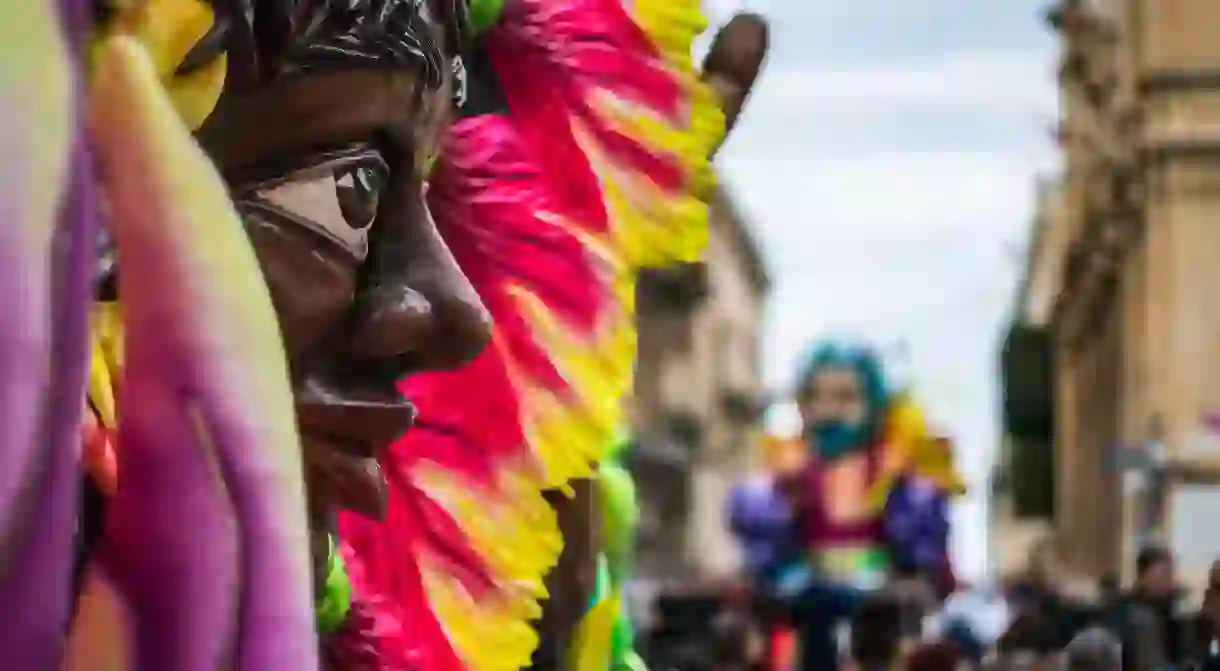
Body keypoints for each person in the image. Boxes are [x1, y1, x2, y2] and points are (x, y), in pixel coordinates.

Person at [1115, 545, 1182, 670]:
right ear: (1145, 575)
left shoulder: (1164, 612)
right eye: (1165, 572)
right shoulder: (1140, 616)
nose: (1171, 580)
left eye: (1171, 572)